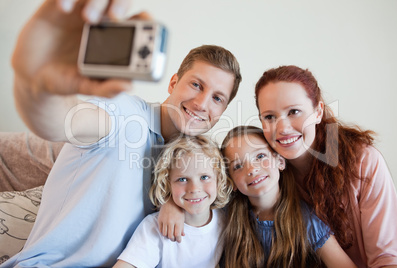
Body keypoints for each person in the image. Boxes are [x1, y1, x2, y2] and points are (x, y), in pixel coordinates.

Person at [1, 0, 242, 267]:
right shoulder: (125, 114)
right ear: (173, 82)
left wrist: (173, 204)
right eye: (196, 85)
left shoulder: (193, 165)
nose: (202, 103)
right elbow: (63, 122)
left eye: (217, 98)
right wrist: (36, 84)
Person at [254, 65, 397, 267]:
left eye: (294, 111)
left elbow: (387, 258)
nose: (283, 128)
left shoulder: (364, 162)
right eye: (270, 117)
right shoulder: (267, 175)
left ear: (318, 112)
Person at [219, 125, 356, 268]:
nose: (252, 169)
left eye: (260, 156)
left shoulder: (306, 219)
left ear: (280, 161)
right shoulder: (225, 218)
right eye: (238, 166)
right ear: (232, 181)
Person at [113, 135, 232, 268]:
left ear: (219, 180)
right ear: (168, 183)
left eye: (204, 177)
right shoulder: (154, 227)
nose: (194, 189)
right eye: (182, 179)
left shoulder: (226, 222)